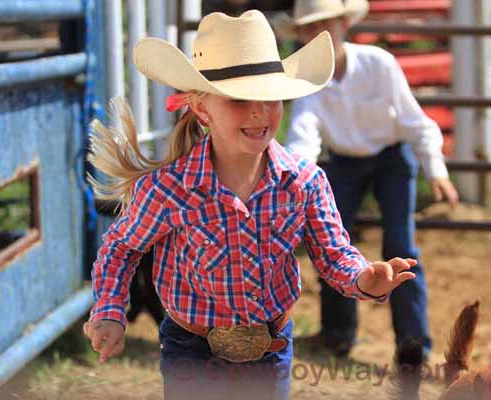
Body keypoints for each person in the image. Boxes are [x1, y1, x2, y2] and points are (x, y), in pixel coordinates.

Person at [83, 10, 418, 400]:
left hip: (268, 348)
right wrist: (109, 311)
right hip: (192, 353)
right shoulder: (171, 189)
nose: (259, 111)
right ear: (202, 109)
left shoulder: (304, 183)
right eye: (240, 100)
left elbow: (333, 255)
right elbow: (121, 247)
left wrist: (363, 278)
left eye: (270, 98)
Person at [281, 0, 459, 358]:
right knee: (331, 244)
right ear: (300, 34)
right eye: (310, 27)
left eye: (325, 24)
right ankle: (337, 335)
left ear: (345, 24)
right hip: (343, 163)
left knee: (401, 247)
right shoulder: (306, 80)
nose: (318, 34)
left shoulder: (380, 64)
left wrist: (435, 169)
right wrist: (294, 179)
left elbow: (414, 121)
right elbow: (303, 135)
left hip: (392, 158)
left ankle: (412, 347)